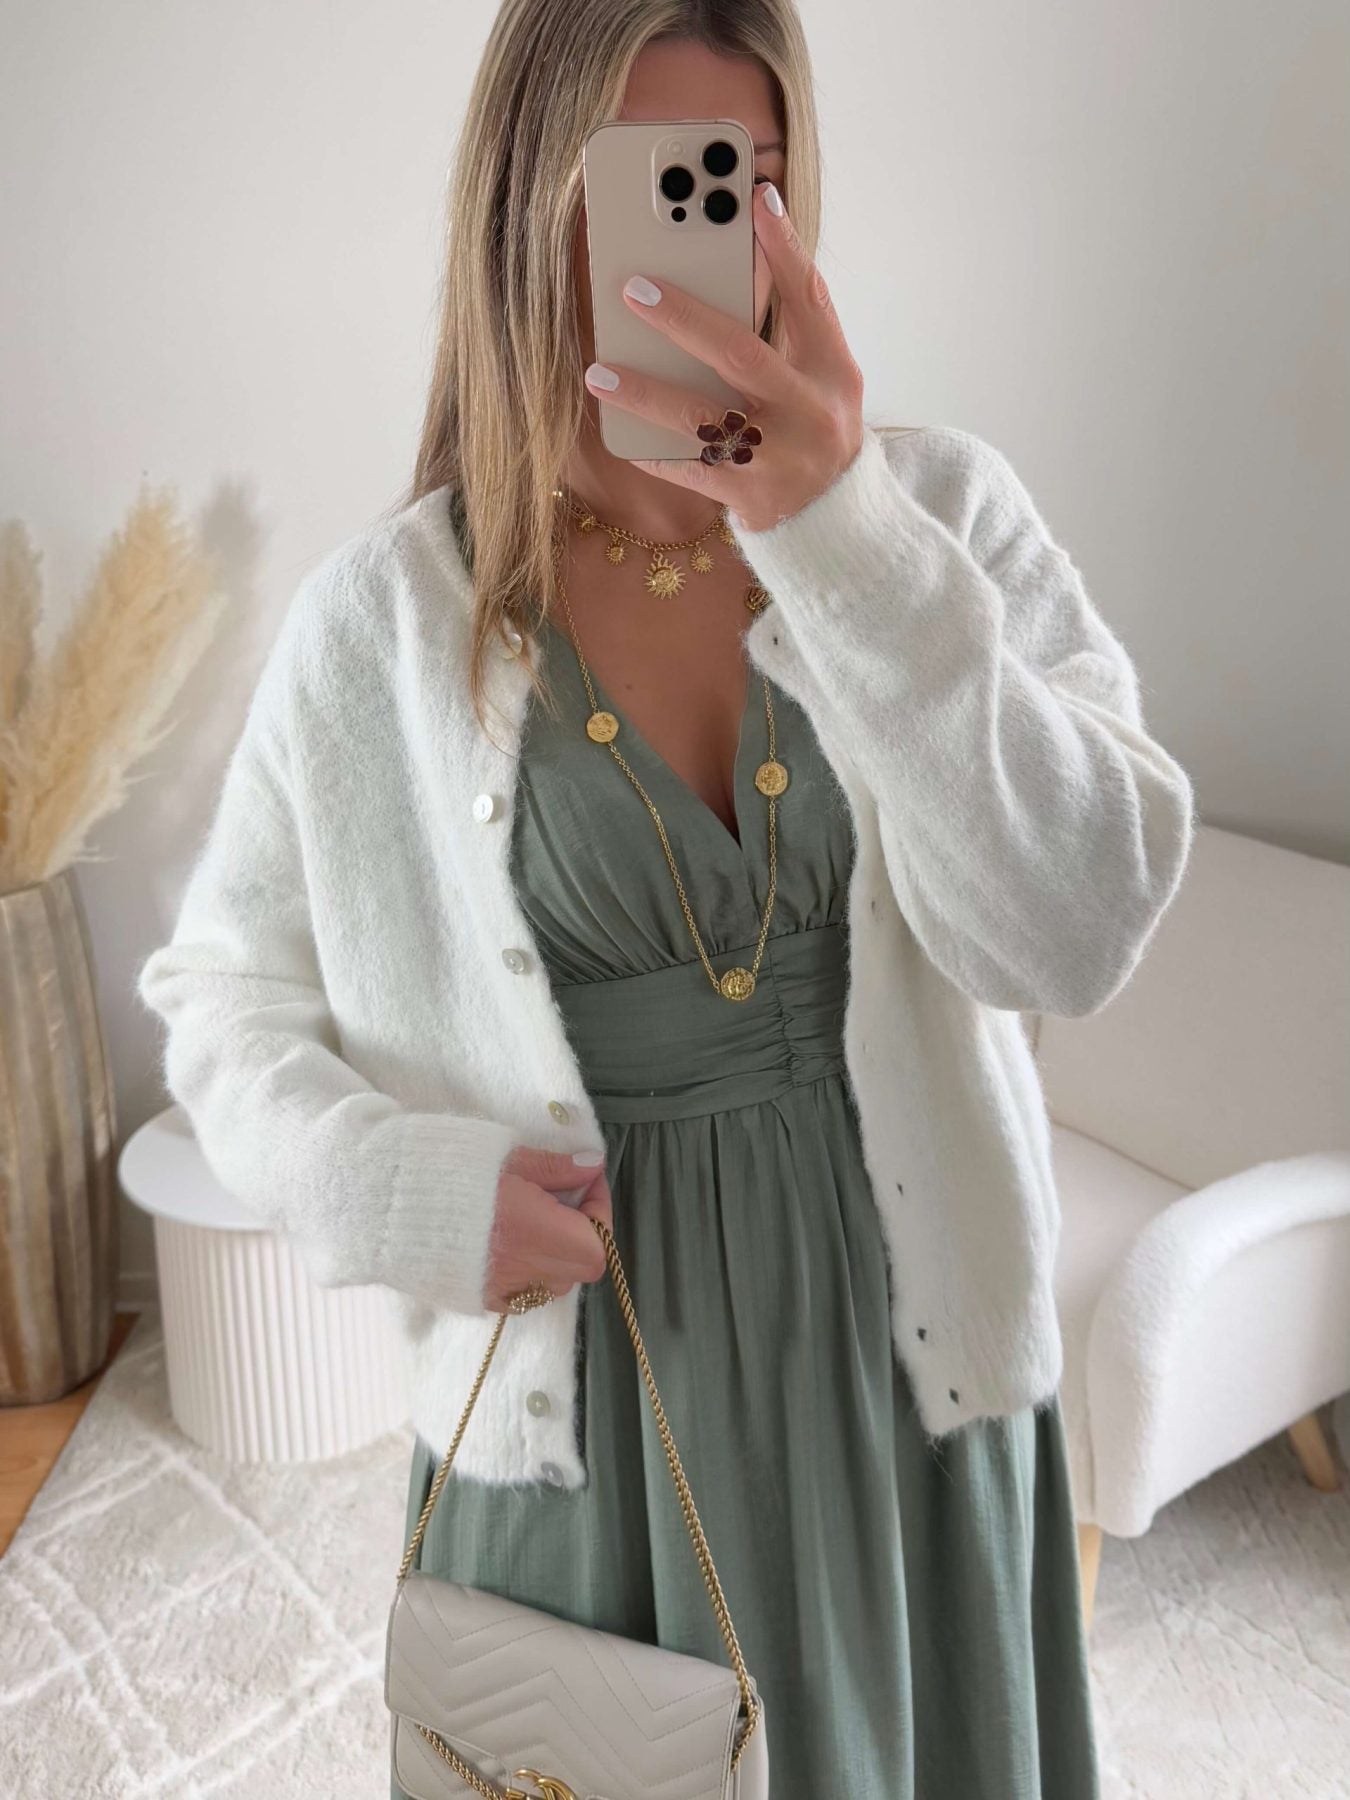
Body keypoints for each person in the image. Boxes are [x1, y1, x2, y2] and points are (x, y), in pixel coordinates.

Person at [139, 2, 1196, 1795]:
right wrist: (395, 1189)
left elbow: (1077, 929)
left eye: (748, 180)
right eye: (644, 181)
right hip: (587, 1406)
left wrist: (842, 534)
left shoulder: (934, 518)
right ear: (524, 202)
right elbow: (220, 1001)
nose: (704, 235)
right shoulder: (378, 624)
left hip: (913, 1379)